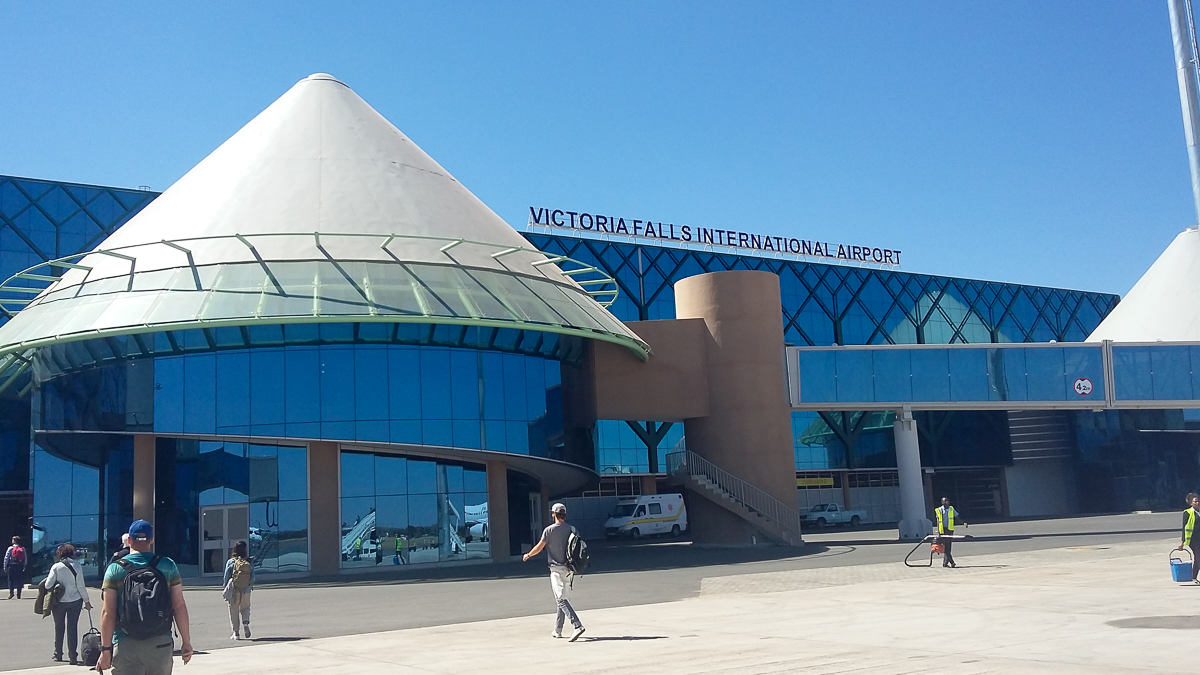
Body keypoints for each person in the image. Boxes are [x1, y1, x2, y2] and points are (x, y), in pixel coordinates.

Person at [96, 521, 193, 675]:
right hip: (160, 643)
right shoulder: (168, 565)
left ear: (129, 541)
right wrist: (186, 642)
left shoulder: (115, 569)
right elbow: (179, 605)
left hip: (125, 644)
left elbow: (108, 613)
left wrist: (105, 649)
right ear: (151, 539)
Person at [521, 502, 585, 642]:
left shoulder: (549, 531)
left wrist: (528, 555)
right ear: (565, 514)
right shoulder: (572, 529)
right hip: (570, 570)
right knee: (562, 599)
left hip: (556, 570)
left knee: (561, 600)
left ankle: (577, 625)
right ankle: (558, 630)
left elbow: (539, 547)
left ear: (554, 514)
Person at [45, 543, 93, 664]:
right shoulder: (77, 566)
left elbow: (48, 585)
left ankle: (58, 653)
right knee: (72, 628)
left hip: (59, 602)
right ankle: (73, 656)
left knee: (59, 627)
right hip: (75, 601)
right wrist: (87, 601)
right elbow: (81, 586)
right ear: (71, 553)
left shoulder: (56, 567)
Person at [222, 540, 254, 640]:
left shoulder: (231, 562)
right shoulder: (248, 561)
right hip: (246, 588)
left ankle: (236, 633)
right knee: (245, 608)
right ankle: (245, 623)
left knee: (233, 609)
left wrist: (225, 587)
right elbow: (252, 577)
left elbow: (226, 576)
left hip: (234, 589)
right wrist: (250, 585)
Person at [935, 497, 967, 568]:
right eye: (945, 501)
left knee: (948, 547)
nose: (947, 502)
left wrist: (963, 522)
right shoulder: (940, 510)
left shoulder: (951, 509)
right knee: (946, 548)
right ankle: (952, 562)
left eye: (947, 501)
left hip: (950, 530)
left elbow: (957, 517)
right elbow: (938, 522)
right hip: (943, 530)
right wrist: (939, 532)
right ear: (942, 502)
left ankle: (945, 563)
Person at [1178, 493, 1200, 583]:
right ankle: (1194, 577)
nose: (1198, 503)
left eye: (1198, 501)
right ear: (1191, 503)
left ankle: (1194, 577)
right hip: (1192, 539)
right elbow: (1184, 528)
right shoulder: (1187, 512)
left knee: (1197, 558)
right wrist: (1182, 542)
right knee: (1199, 557)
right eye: (1195, 501)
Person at [5, 535, 27, 599]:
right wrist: (24, 565)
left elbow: (6, 558)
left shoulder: (10, 548)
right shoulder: (22, 548)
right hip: (19, 566)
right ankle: (19, 594)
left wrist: (5, 566)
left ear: (14, 541)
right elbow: (25, 558)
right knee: (19, 580)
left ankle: (11, 593)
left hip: (12, 565)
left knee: (11, 580)